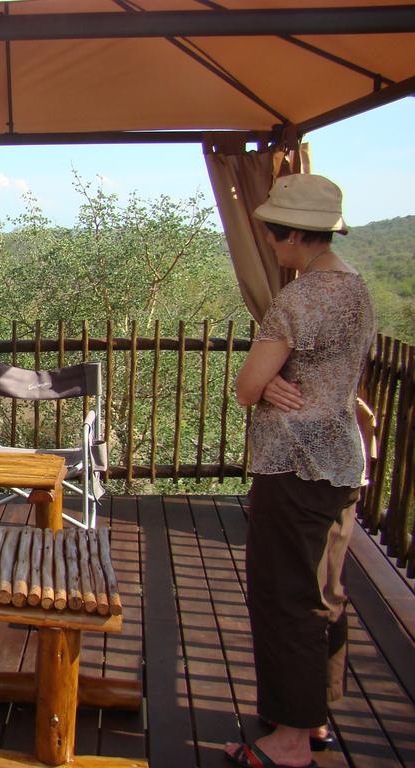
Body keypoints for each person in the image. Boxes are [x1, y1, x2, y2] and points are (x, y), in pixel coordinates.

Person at [224, 174, 375, 768]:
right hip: (341, 462)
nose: (270, 242)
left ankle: (288, 742)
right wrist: (275, 384)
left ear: (292, 234)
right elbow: (324, 372)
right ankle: (310, 718)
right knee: (324, 592)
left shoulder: (300, 299)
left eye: (272, 233)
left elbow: (246, 386)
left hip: (295, 464)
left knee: (284, 594)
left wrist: (264, 386)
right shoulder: (356, 288)